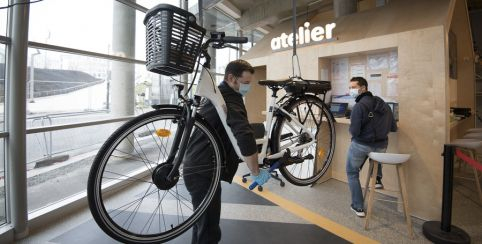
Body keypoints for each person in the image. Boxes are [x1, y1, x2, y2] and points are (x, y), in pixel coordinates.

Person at [183, 59, 271, 244]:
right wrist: (255, 171)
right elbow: (244, 136)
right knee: (209, 231)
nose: (248, 87)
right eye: (245, 83)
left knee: (201, 223)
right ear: (231, 78)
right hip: (204, 170)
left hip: (198, 165)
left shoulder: (219, 94)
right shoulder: (229, 98)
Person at [346, 76, 397, 217]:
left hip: (362, 145)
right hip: (381, 147)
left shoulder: (359, 106)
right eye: (350, 87)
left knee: (352, 172)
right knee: (375, 153)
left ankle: (358, 207)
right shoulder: (384, 105)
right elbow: (393, 127)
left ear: (363, 88)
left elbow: (354, 131)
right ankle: (378, 178)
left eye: (353, 87)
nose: (351, 90)